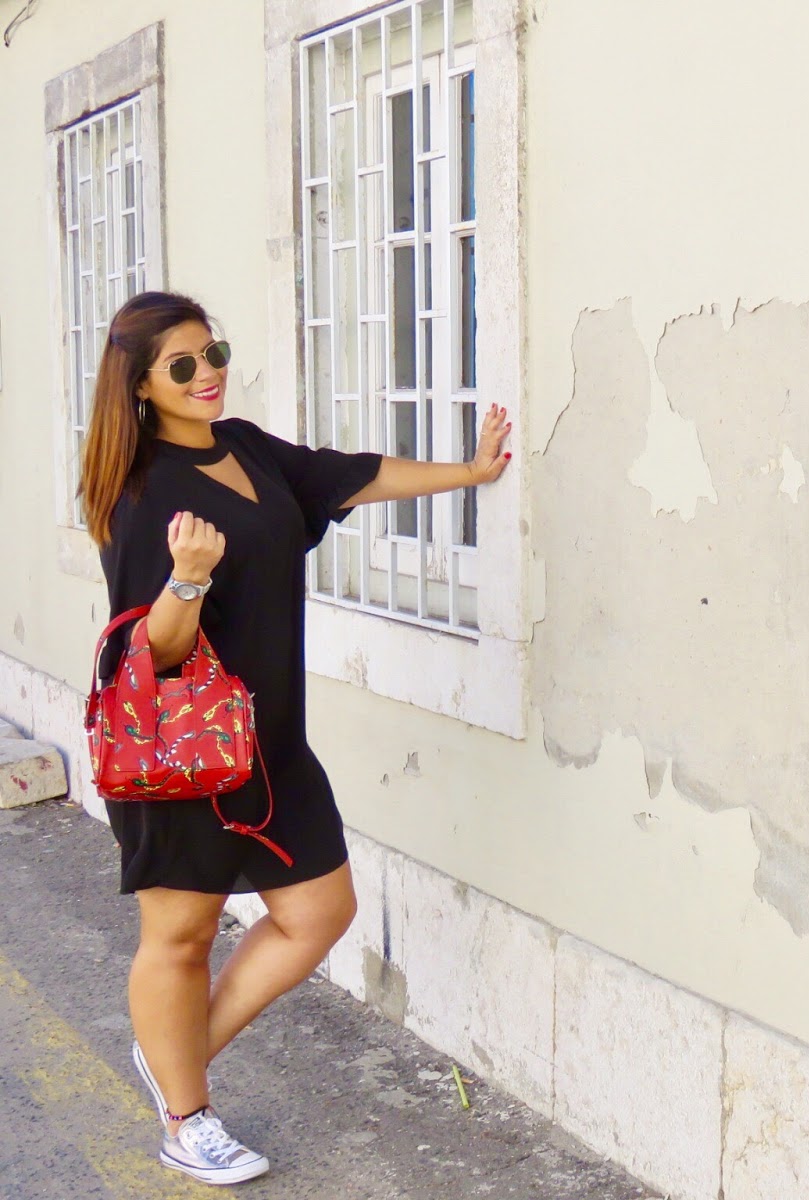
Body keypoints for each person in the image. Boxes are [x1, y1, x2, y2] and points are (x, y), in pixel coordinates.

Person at [79, 290, 512, 1185]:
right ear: (141, 385)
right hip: (185, 750)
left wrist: (469, 475)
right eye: (183, 365)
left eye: (214, 353)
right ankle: (186, 1116)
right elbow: (151, 651)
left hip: (272, 744)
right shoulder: (141, 492)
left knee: (318, 912)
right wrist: (187, 580)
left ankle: (174, 1057)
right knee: (182, 936)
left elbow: (344, 475)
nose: (208, 373)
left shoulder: (243, 447)